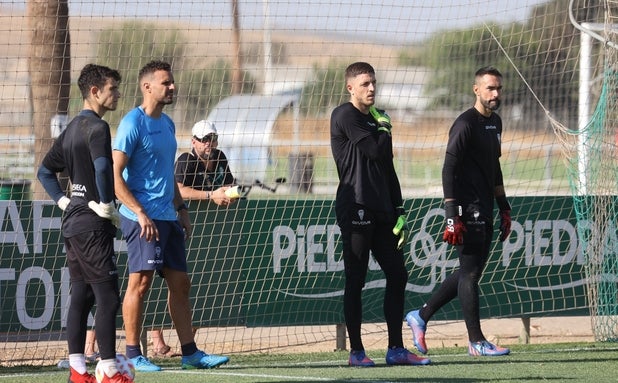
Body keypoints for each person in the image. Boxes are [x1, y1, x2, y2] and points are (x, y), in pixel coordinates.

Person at [112, 60, 230, 372]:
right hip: (141, 217)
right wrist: (139, 213)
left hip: (167, 215)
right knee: (141, 282)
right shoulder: (131, 124)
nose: (172, 87)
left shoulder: (166, 124)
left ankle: (190, 353)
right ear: (147, 87)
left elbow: (165, 173)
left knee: (181, 283)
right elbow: (115, 177)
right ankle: (133, 353)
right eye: (166, 83)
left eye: (172, 82)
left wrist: (181, 209)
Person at [405, 66, 512, 357]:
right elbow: (448, 168)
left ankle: (420, 316)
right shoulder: (464, 124)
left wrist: (504, 207)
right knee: (470, 275)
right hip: (466, 208)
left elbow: (495, 166)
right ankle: (476, 341)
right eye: (490, 88)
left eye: (498, 88)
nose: (495, 93)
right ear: (476, 89)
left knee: (469, 272)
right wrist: (452, 214)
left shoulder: (497, 123)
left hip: (486, 206)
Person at [330, 61, 430, 367]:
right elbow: (375, 151)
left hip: (383, 210)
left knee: (398, 275)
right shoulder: (345, 115)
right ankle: (357, 352)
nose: (371, 88)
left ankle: (396, 349)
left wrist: (399, 208)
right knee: (355, 280)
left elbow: (387, 166)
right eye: (364, 84)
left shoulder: (377, 120)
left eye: (373, 83)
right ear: (350, 88)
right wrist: (384, 127)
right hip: (356, 207)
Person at [37, 64, 133, 383]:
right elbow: (104, 169)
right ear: (95, 92)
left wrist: (65, 201)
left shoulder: (72, 128)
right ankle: (108, 370)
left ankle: (78, 371)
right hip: (92, 225)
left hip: (73, 223)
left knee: (81, 295)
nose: (117, 94)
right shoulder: (97, 128)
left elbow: (44, 172)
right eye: (112, 89)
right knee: (107, 297)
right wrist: (107, 204)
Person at [174, 119, 237, 204]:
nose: (209, 143)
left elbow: (229, 184)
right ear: (193, 141)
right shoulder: (186, 160)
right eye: (204, 139)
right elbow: (178, 190)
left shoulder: (220, 156)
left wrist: (230, 193)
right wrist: (211, 195)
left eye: (213, 138)